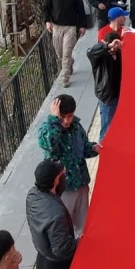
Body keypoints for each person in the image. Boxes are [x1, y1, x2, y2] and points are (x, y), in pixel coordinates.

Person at [37, 94, 100, 237]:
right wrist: (54, 119)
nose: (66, 121)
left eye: (70, 116)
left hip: (81, 184)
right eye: (62, 117)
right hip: (63, 190)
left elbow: (83, 148)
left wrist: (93, 148)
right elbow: (50, 143)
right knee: (64, 229)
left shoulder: (77, 127)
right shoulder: (47, 130)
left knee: (85, 229)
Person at [44, 0, 86, 88]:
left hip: (71, 27)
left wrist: (82, 25)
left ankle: (64, 78)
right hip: (57, 26)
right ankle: (70, 63)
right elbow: (46, 7)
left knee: (66, 53)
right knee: (60, 53)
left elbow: (81, 9)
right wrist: (47, 21)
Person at [87, 32, 122, 141]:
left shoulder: (120, 54)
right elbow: (90, 51)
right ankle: (103, 151)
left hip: (118, 95)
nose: (113, 50)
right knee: (107, 128)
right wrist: (107, 46)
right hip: (107, 97)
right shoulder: (100, 56)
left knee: (116, 126)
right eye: (112, 47)